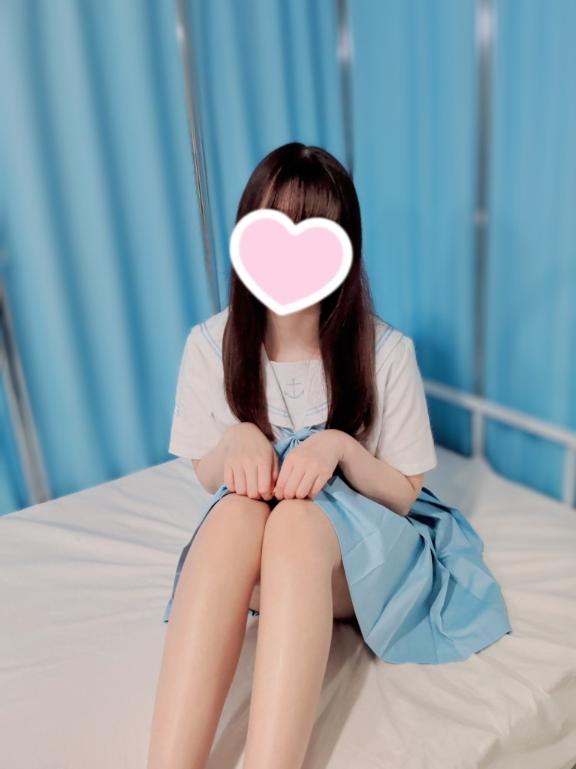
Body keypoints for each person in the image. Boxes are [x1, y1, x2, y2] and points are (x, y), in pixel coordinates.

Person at [146, 143, 512, 769]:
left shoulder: (385, 352)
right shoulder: (211, 344)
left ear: (343, 250)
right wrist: (235, 440)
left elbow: (405, 492)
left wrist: (339, 447)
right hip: (261, 572)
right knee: (233, 515)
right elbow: (205, 475)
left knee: (295, 523)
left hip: (351, 569)